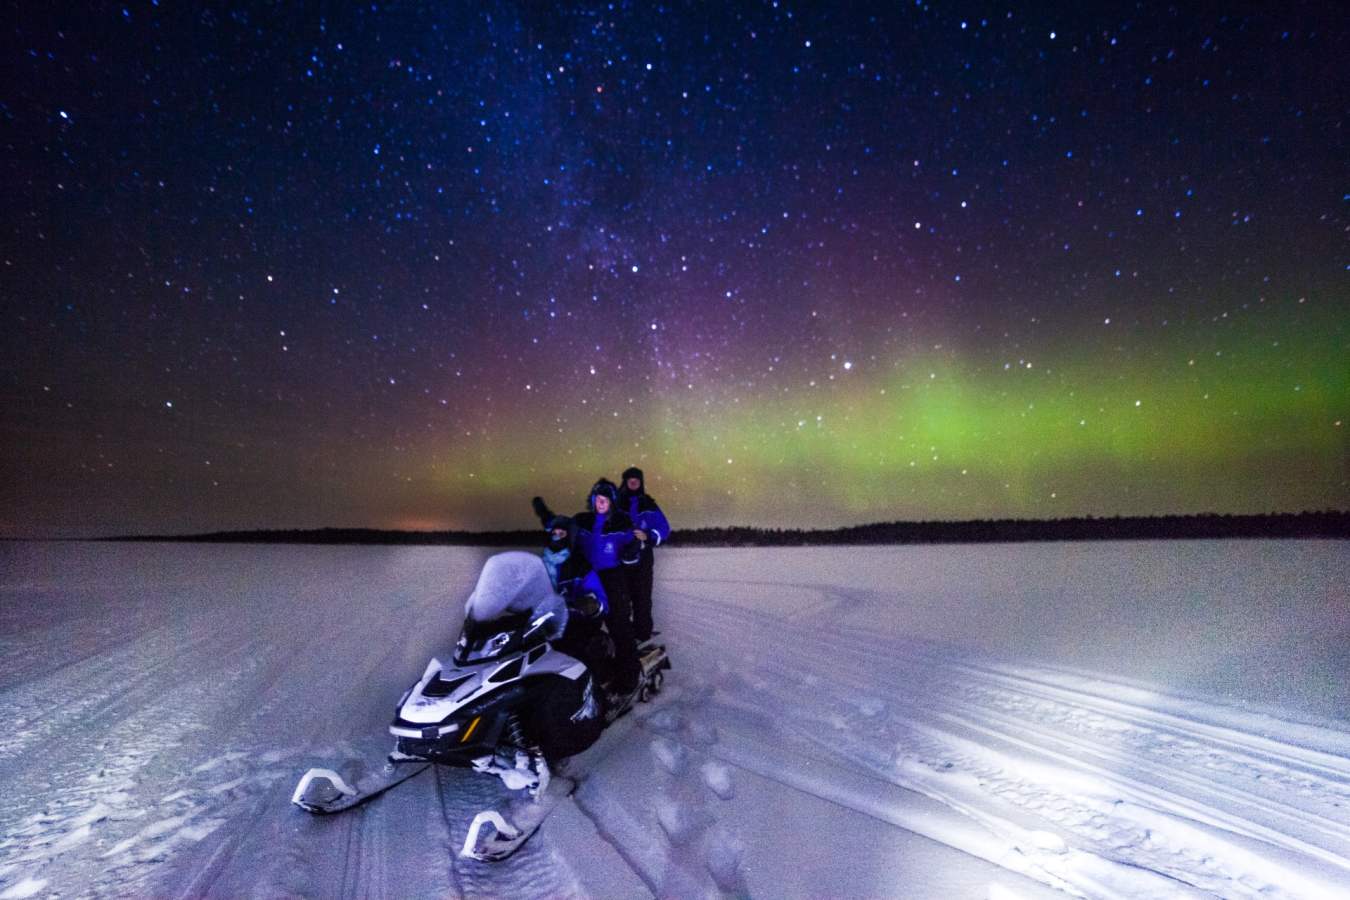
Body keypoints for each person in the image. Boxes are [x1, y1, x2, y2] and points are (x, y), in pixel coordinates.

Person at [571, 478, 643, 699]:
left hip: (613, 578)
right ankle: (591, 676)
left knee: (620, 627)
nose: (600, 503)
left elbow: (633, 553)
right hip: (587, 580)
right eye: (597, 499)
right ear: (592, 500)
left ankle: (629, 678)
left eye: (605, 499)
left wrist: (632, 550)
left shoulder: (621, 522)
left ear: (611, 501)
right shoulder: (581, 521)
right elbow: (569, 547)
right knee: (582, 630)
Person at [616, 466, 671, 642]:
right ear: (625, 482)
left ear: (641, 483)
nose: (633, 483)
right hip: (618, 559)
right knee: (620, 600)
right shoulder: (615, 503)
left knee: (642, 599)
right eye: (630, 480)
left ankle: (642, 634)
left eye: (636, 480)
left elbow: (664, 528)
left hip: (643, 560)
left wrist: (648, 536)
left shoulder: (648, 504)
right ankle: (623, 635)